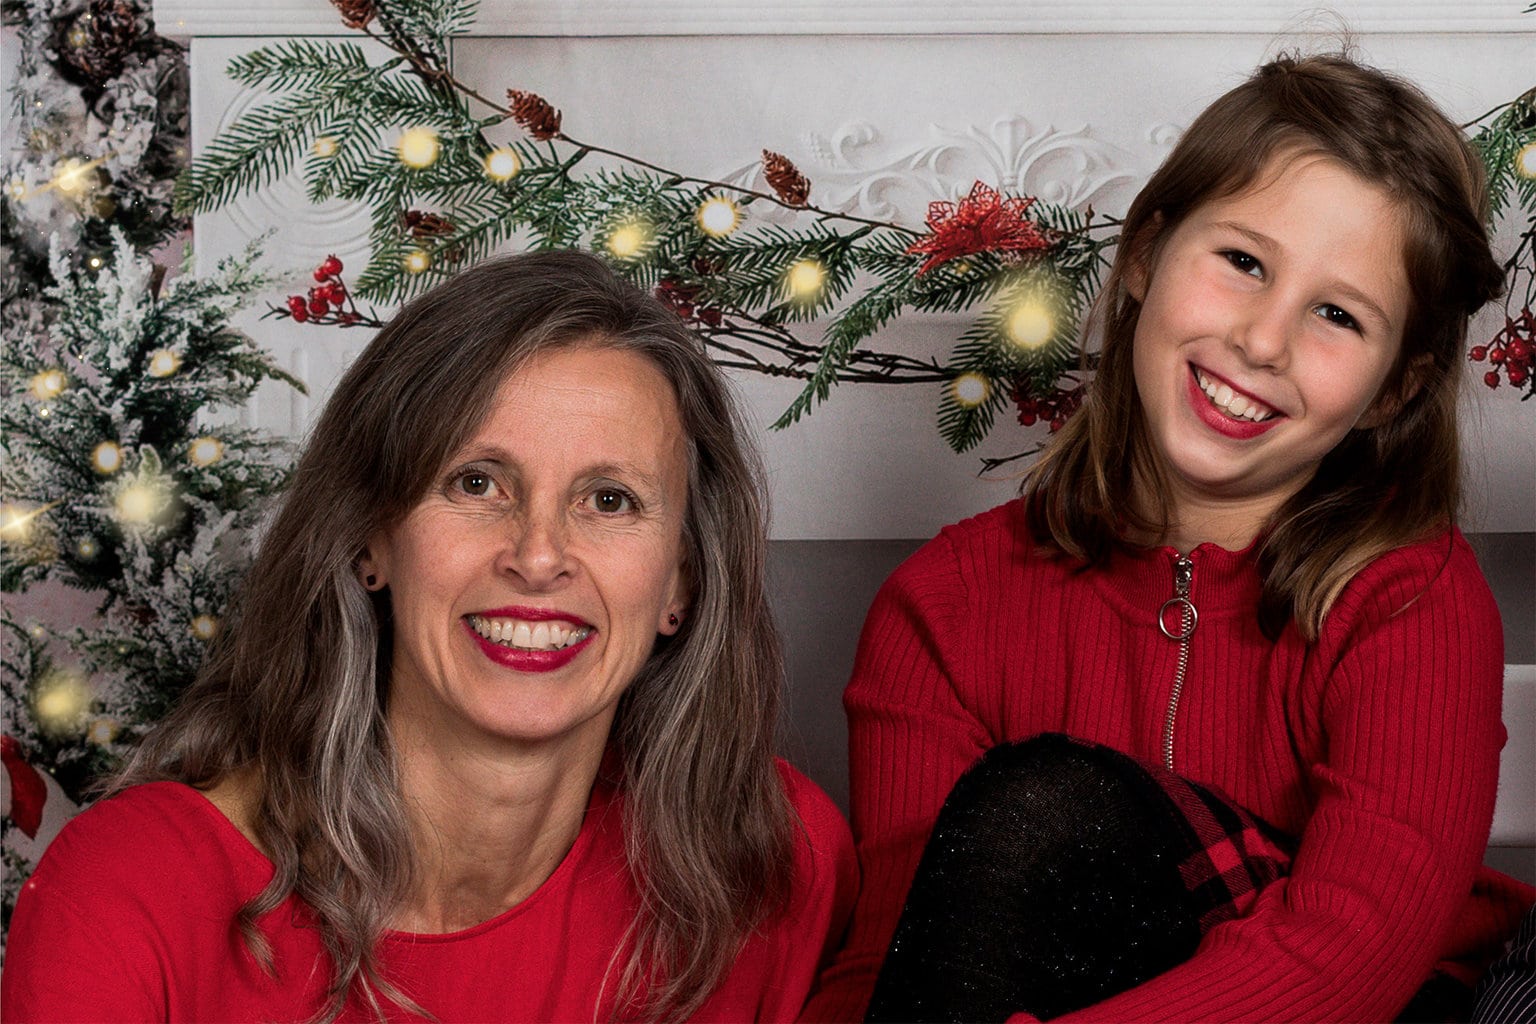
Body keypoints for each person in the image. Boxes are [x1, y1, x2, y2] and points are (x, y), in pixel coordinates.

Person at [802, 53, 1535, 1023]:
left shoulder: (1410, 598)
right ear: (1146, 254)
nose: (1263, 342)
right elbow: (910, 953)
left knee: (1045, 807)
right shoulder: (945, 607)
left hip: (1387, 1010)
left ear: (1395, 386)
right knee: (1025, 832)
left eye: (1336, 314)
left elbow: (1349, 953)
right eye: (1242, 263)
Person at [2, 250, 856, 1023]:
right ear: (372, 537)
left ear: (681, 582)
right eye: (476, 482)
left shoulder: (773, 863)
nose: (539, 555)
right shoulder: (131, 895)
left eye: (610, 500)